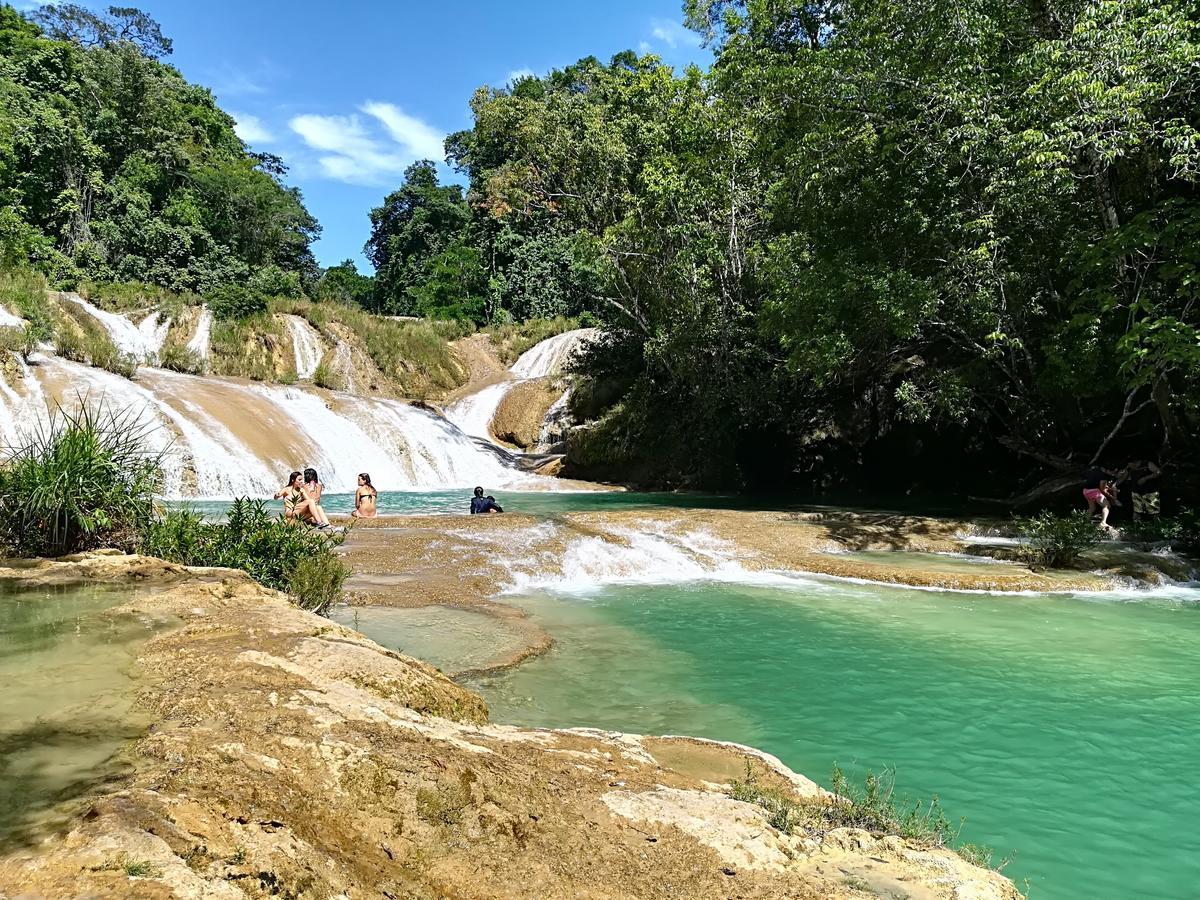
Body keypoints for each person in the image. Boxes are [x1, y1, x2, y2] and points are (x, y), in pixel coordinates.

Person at [1083, 464, 1117, 529]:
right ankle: (1103, 523)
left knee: (1092, 508)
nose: (1113, 473)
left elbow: (1096, 482)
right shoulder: (1104, 476)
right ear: (1108, 470)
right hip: (1094, 491)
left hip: (1085, 491)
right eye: (1112, 472)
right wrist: (1112, 497)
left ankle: (1083, 522)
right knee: (1107, 506)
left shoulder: (1096, 469)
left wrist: (1109, 488)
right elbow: (1102, 490)